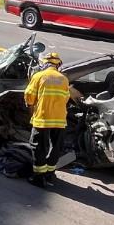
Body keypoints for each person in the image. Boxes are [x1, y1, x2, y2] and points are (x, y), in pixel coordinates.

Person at [24, 51, 70, 188]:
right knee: (55, 148)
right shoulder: (64, 79)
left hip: (43, 119)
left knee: (38, 147)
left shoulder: (39, 76)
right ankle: (50, 175)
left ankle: (38, 178)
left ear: (44, 63)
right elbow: (66, 98)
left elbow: (29, 96)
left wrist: (30, 108)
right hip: (60, 120)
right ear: (58, 64)